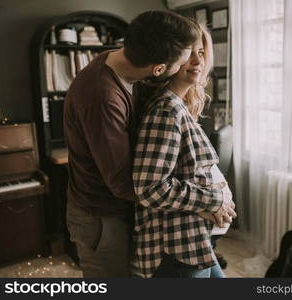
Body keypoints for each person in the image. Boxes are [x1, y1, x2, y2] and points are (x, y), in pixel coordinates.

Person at [63, 11, 201, 277]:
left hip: (122, 209)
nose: (190, 64)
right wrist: (201, 201)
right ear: (159, 69)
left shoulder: (122, 59)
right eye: (184, 60)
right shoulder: (102, 97)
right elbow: (123, 182)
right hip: (101, 218)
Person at [132, 26, 236, 278]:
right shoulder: (166, 111)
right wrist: (213, 201)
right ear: (169, 58)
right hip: (176, 250)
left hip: (196, 242)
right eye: (189, 52)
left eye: (201, 52)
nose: (198, 60)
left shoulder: (178, 106)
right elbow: (150, 189)